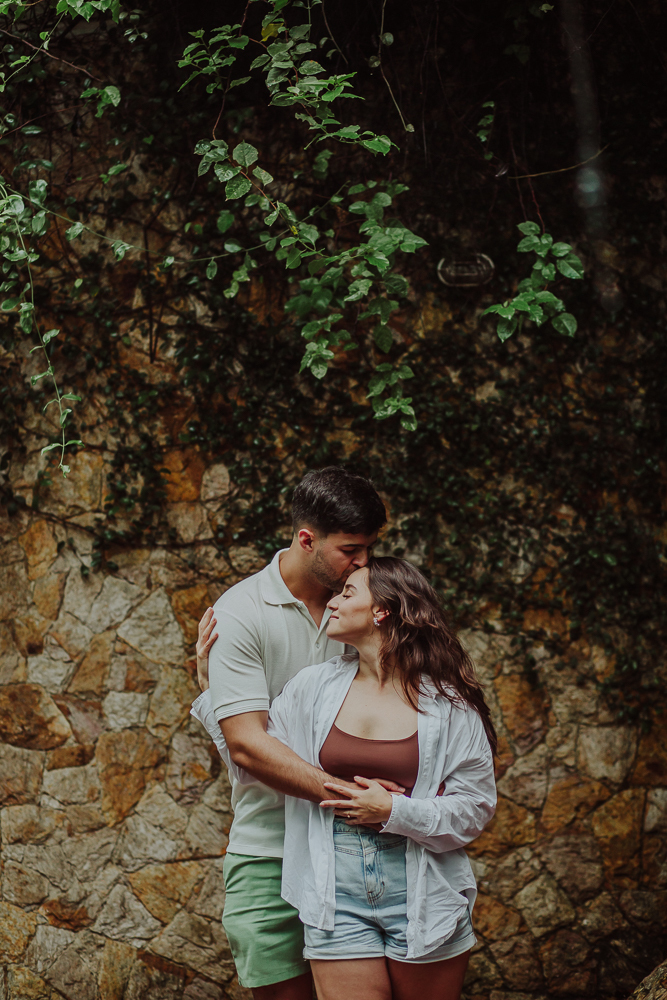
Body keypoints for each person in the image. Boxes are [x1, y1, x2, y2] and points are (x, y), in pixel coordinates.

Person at [194, 556, 497, 1000]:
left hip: (422, 890)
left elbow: (475, 807)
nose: (333, 602)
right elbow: (254, 765)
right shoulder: (312, 688)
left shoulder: (449, 705)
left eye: (348, 593)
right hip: (334, 895)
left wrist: (393, 810)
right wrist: (213, 693)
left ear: (382, 611)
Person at [193, 466, 393, 999]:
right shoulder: (240, 614)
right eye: (350, 549)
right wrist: (352, 796)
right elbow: (247, 747)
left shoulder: (368, 607)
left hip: (359, 849)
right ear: (306, 539)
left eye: (369, 548)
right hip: (270, 848)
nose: (364, 562)